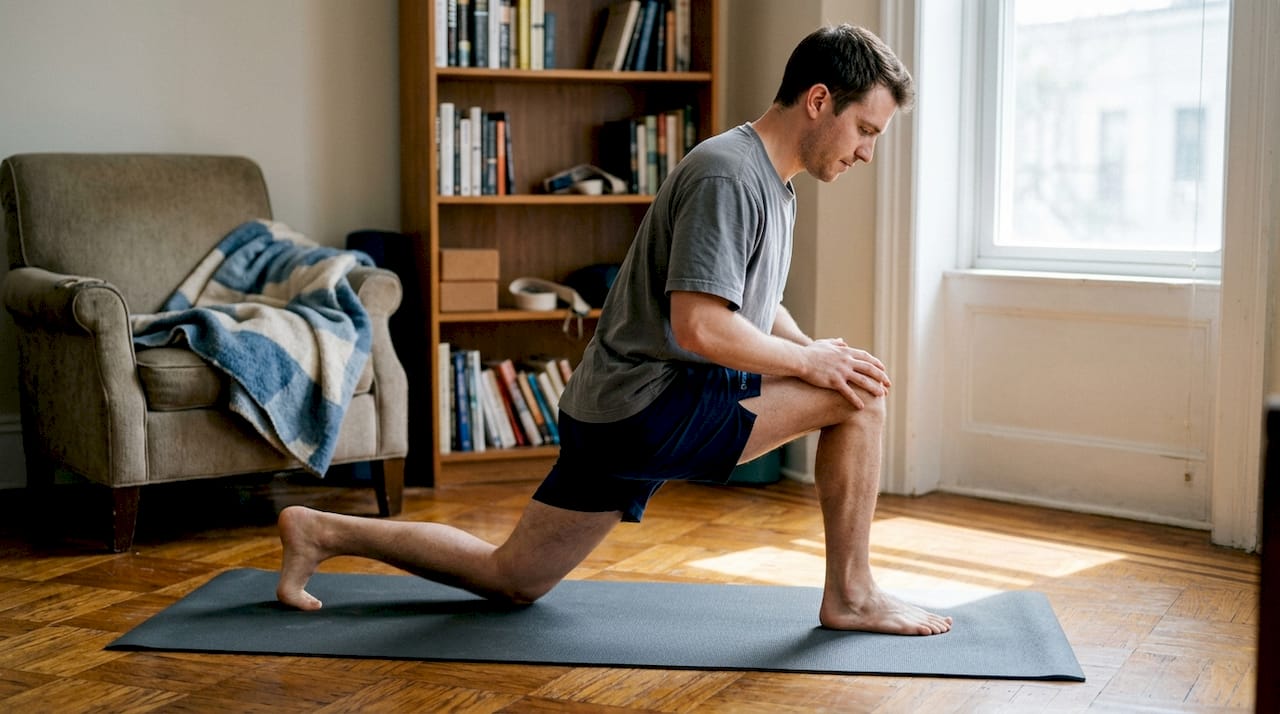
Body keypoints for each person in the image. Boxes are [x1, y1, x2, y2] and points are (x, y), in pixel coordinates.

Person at [277, 23, 952, 636]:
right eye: (866, 129)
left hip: (614, 408)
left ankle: (320, 531)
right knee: (861, 399)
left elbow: (751, 303)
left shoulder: (773, 181)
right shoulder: (730, 174)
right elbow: (700, 328)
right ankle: (852, 595)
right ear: (818, 100)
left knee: (512, 576)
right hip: (647, 405)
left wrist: (811, 350)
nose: (868, 152)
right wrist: (815, 370)